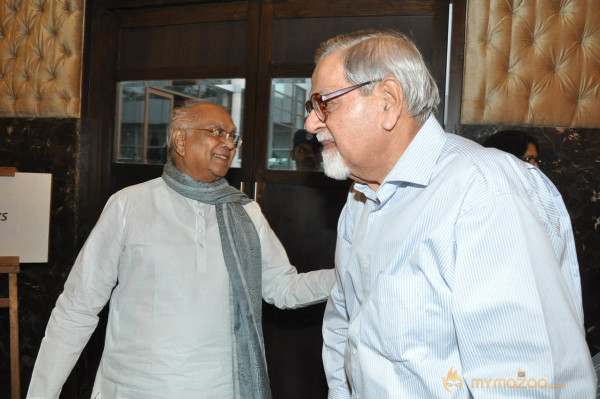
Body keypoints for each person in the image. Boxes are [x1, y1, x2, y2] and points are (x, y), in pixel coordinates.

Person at [304, 30, 595, 398]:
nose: (311, 123)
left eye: (324, 102)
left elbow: (522, 378)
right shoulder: (360, 198)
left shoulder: (483, 191)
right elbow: (344, 329)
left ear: (388, 101)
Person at [27, 100, 335, 399]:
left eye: (233, 136)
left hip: (224, 388)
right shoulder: (129, 205)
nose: (229, 144)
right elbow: (77, 308)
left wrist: (347, 275)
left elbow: (282, 287)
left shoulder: (246, 213)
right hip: (134, 387)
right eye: (217, 132)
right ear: (180, 139)